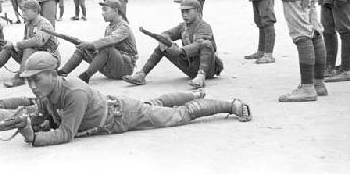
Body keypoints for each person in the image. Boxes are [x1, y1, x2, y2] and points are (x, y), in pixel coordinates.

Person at [16, 51, 251, 147]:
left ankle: (229, 104)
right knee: (154, 104)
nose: (32, 85)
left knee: (177, 115)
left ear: (53, 74)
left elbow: (66, 133)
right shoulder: (47, 92)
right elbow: (48, 118)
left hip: (122, 116)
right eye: (29, 80)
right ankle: (193, 94)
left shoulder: (73, 92)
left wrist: (34, 137)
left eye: (36, 79)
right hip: (117, 107)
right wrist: (30, 120)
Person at [123, 0, 223, 88]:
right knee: (163, 44)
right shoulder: (183, 26)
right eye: (182, 11)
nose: (184, 14)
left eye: (187, 11)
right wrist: (166, 41)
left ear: (197, 11)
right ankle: (141, 74)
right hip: (190, 66)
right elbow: (167, 33)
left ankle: (201, 77)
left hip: (207, 69)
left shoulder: (204, 26)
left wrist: (180, 51)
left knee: (206, 44)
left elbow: (199, 44)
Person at [0, 0, 60, 88]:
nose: (23, 14)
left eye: (25, 11)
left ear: (35, 11)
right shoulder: (28, 23)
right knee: (9, 48)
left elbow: (38, 41)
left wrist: (16, 45)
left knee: (27, 47)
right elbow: (26, 40)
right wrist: (12, 46)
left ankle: (20, 77)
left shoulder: (45, 24)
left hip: (50, 59)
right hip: (34, 58)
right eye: (22, 11)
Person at [57, 0, 137, 84]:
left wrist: (91, 45)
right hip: (110, 68)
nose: (102, 13)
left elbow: (109, 40)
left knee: (106, 48)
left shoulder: (124, 27)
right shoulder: (109, 28)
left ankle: (85, 76)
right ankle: (63, 72)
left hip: (124, 69)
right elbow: (102, 47)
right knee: (82, 49)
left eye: (105, 9)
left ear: (115, 11)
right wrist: (86, 46)